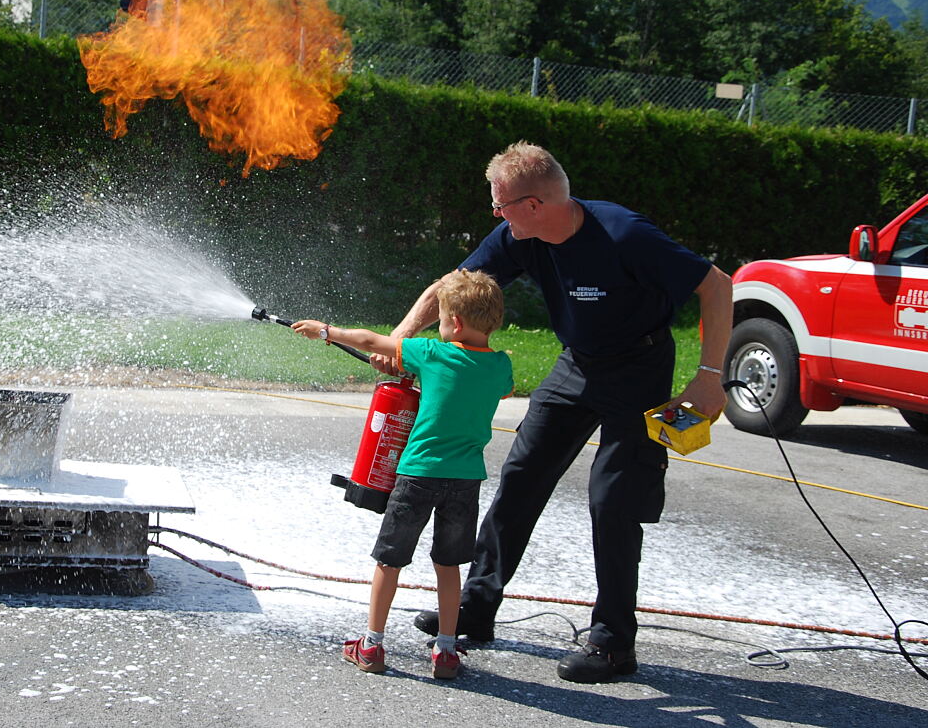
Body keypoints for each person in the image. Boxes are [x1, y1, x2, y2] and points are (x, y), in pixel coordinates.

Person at [373, 141, 732, 684]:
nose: (495, 215)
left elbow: (717, 285)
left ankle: (613, 643)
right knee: (520, 476)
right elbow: (449, 288)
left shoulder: (625, 235)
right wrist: (399, 340)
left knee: (614, 499)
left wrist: (709, 380)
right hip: (576, 364)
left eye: (501, 205)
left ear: (535, 204)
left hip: (639, 369)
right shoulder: (520, 236)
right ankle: (477, 607)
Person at [292, 269, 514, 680]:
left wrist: (327, 331)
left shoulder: (432, 354)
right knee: (449, 567)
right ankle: (446, 652)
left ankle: (372, 645)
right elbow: (500, 390)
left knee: (389, 563)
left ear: (455, 323)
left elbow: (371, 341)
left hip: (417, 476)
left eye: (444, 319)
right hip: (465, 481)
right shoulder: (500, 366)